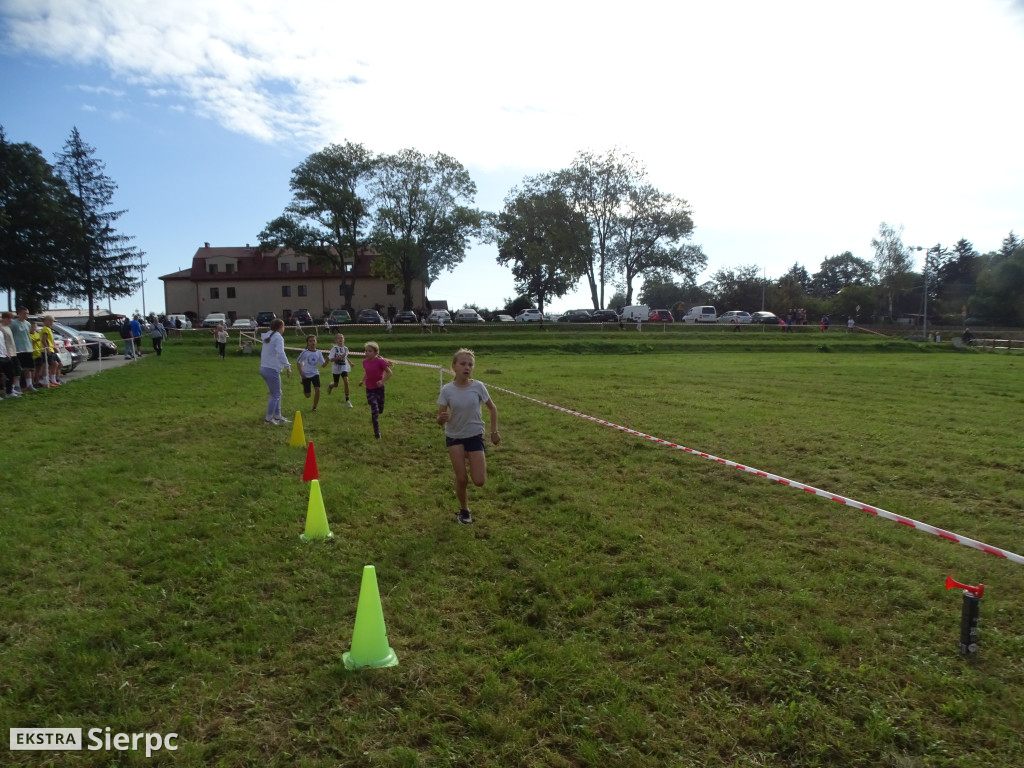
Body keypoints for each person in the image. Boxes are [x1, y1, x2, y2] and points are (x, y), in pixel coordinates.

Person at [436, 348, 500, 525]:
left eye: (470, 364)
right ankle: (464, 511)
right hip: (455, 436)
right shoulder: (447, 390)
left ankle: (467, 453)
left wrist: (494, 431)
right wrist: (441, 419)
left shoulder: (478, 386)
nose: (467, 367)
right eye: (463, 364)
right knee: (462, 478)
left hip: (474, 435)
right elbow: (439, 419)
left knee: (479, 481)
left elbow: (492, 409)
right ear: (454, 367)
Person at [259, 318, 292, 425]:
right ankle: (268, 420)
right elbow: (280, 353)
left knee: (278, 393)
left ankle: (278, 417)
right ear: (280, 327)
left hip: (264, 368)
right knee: (276, 394)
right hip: (271, 368)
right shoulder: (278, 338)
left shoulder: (269, 336)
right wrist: (288, 366)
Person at [359, 340, 393, 439]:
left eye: (370, 351)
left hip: (379, 389)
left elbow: (389, 373)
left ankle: (379, 409)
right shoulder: (364, 362)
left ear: (376, 353)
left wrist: (382, 381)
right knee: (374, 408)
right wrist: (362, 380)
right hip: (370, 389)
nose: (367, 353)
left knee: (380, 409)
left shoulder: (380, 361)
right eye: (366, 351)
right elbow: (367, 373)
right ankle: (377, 432)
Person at [10, 307, 38, 392]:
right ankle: (17, 386)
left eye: (27, 313)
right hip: (18, 349)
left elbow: (29, 334)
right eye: (24, 313)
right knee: (18, 369)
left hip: (28, 348)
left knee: (28, 368)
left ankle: (29, 384)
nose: (26, 315)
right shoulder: (13, 324)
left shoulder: (28, 324)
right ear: (19, 313)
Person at [296, 334, 326, 412]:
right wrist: (301, 372)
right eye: (310, 341)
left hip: (315, 373)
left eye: (314, 341)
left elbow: (323, 365)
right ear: (307, 343)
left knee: (317, 390)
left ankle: (314, 407)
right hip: (305, 374)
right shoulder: (305, 352)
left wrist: (329, 359)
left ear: (316, 342)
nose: (312, 342)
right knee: (307, 395)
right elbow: (298, 362)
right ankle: (303, 383)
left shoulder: (319, 352)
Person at [326, 333, 353, 407]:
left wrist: (350, 363)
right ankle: (331, 386)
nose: (340, 339)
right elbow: (331, 359)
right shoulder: (334, 349)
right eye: (338, 338)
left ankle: (347, 400)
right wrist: (339, 357)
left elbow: (345, 357)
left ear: (344, 339)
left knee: (346, 381)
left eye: (342, 338)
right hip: (336, 368)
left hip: (344, 367)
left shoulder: (346, 349)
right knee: (336, 384)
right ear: (336, 340)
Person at [39, 315, 62, 387]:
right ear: (47, 321)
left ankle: (53, 379)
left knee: (56, 364)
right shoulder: (45, 329)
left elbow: (50, 340)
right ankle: (45, 380)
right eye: (51, 321)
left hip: (51, 349)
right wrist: (47, 348)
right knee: (47, 365)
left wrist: (54, 347)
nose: (52, 323)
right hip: (47, 350)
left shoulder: (48, 329)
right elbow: (44, 339)